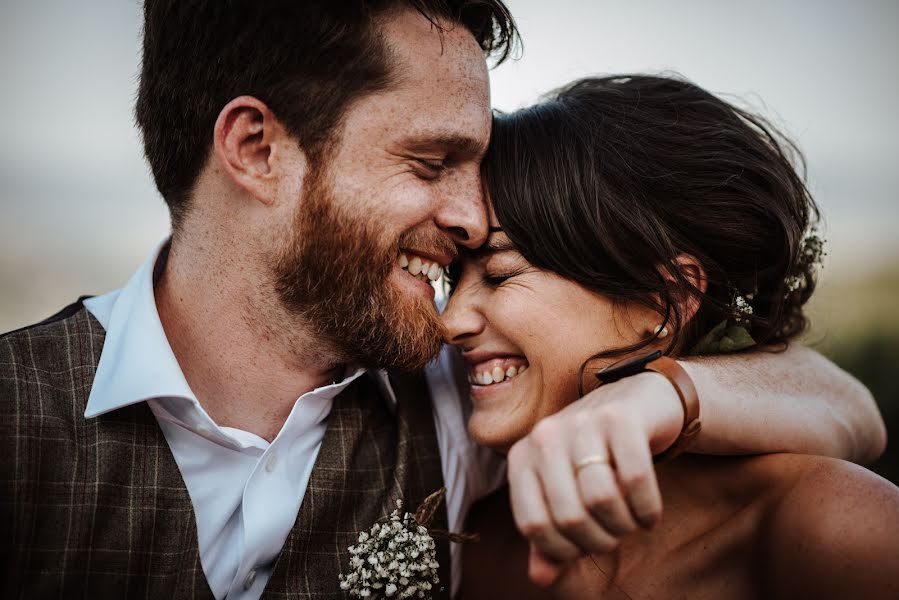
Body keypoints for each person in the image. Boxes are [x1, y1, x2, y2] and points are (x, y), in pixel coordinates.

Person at [0, 2, 886, 597]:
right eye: (430, 163)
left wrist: (656, 399)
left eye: (500, 269)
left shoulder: (454, 403)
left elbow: (842, 406)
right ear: (257, 148)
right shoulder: (16, 420)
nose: (467, 220)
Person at [446, 74, 899, 599]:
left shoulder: (828, 525)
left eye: (500, 274)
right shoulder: (478, 549)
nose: (450, 320)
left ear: (665, 303)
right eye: (454, 278)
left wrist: (661, 393)